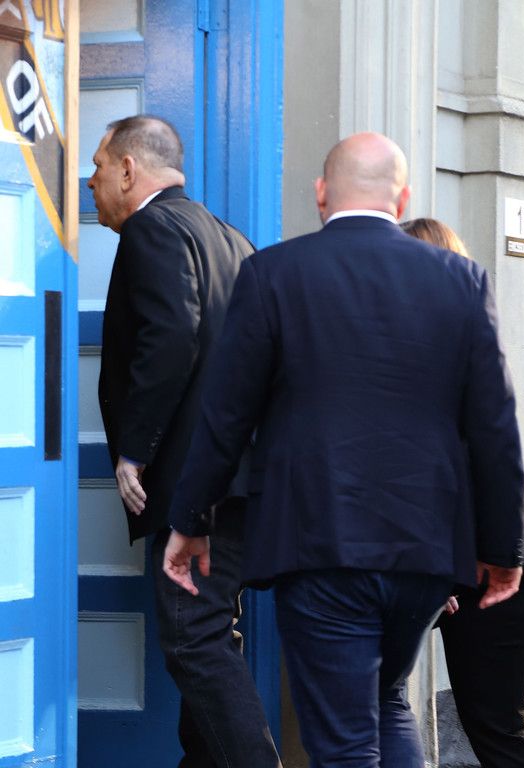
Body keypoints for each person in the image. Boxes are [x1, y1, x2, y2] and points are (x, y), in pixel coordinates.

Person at [163, 132, 524, 768]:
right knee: (384, 701)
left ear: (321, 193)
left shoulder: (274, 274)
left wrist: (191, 521)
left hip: (320, 544)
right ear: (402, 198)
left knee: (346, 743)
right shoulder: (462, 280)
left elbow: (226, 417)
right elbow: (495, 428)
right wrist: (503, 550)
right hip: (424, 551)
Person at [89, 115, 281, 768]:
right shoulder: (231, 237)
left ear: (127, 170)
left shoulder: (152, 228)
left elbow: (172, 335)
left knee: (194, 638)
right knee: (210, 632)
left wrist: (135, 451)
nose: (89, 182)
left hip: (197, 482)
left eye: (97, 166)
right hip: (240, 478)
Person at [403, 217, 524, 768]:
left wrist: (441, 567)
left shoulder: (448, 354)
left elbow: (471, 470)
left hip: (498, 562)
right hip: (467, 560)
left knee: (495, 727)